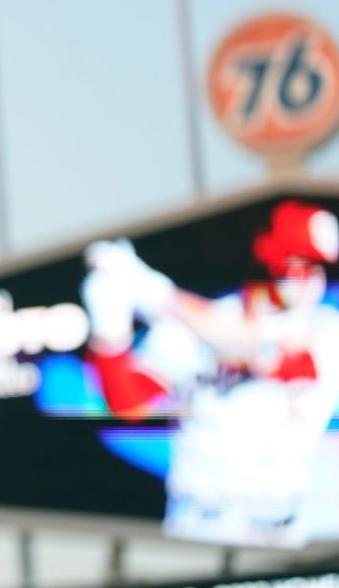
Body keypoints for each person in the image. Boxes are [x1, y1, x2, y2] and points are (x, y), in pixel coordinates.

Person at [80, 200, 339, 546]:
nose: (309, 278)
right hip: (198, 525)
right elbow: (129, 405)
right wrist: (109, 328)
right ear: (268, 255)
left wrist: (153, 290)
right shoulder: (196, 322)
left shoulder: (324, 330)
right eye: (300, 263)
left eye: (318, 267)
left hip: (276, 530)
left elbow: (251, 348)